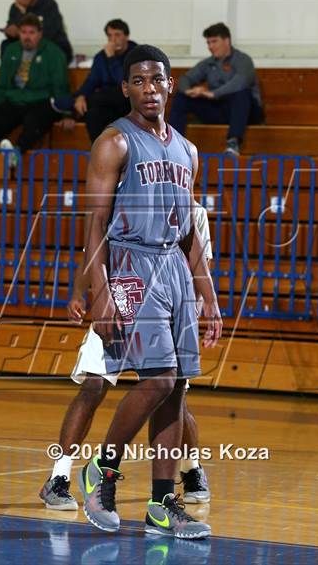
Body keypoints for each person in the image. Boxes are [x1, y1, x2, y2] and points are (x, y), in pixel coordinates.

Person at [75, 44, 222, 538]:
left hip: (175, 269)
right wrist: (99, 293)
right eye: (138, 81)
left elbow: (188, 233)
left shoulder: (188, 150)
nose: (149, 88)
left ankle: (162, 507)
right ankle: (104, 470)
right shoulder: (114, 142)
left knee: (176, 389)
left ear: (170, 84)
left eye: (156, 79)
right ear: (126, 88)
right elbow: (94, 223)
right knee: (158, 378)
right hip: (131, 264)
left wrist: (210, 297)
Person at [39, 200, 213, 512]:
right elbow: (93, 253)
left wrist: (195, 312)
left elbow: (200, 266)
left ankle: (190, 468)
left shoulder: (192, 210)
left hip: (166, 310)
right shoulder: (119, 198)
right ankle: (59, 477)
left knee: (171, 396)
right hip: (120, 304)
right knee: (93, 387)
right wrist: (80, 293)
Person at [0, 14, 69, 163]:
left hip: (41, 100)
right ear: (18, 33)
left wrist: (67, 114)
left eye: (31, 33)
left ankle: (17, 152)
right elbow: (1, 84)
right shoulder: (11, 50)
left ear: (40, 34)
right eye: (24, 32)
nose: (27, 37)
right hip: (15, 99)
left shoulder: (54, 53)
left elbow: (61, 86)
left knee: (34, 120)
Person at [169, 22, 264, 157]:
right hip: (220, 110)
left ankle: (233, 143)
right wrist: (189, 91)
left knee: (242, 92)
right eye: (208, 43)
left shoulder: (243, 60)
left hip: (247, 112)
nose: (210, 47)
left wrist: (214, 93)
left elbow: (241, 82)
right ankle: (174, 145)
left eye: (214, 41)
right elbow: (185, 78)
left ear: (227, 41)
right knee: (182, 97)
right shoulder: (208, 63)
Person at [52, 19, 137, 143]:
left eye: (117, 35)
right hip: (103, 104)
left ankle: (68, 105)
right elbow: (91, 81)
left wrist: (112, 59)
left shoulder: (135, 54)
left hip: (127, 101)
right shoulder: (101, 57)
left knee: (109, 94)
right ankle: (98, 152)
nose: (113, 39)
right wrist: (81, 96)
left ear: (126, 36)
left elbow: (125, 82)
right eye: (110, 35)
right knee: (92, 114)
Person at [1, 0, 73, 64]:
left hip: (51, 45)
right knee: (6, 46)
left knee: (42, 49)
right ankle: (10, 75)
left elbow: (48, 34)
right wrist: (11, 31)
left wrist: (24, 13)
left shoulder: (49, 4)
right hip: (26, 45)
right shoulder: (16, 7)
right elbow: (12, 28)